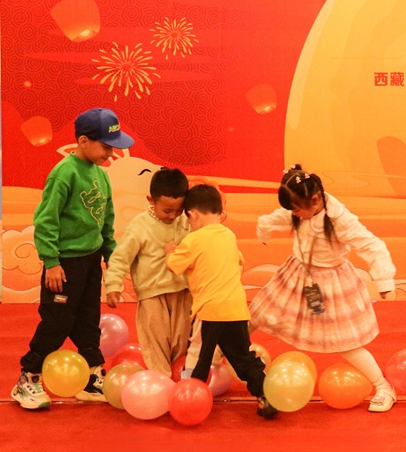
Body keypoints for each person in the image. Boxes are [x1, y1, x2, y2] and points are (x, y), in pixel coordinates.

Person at [12, 108, 134, 409]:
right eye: (106, 146)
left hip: (91, 261)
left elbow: (106, 219)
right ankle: (28, 377)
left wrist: (111, 256)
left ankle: (91, 376)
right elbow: (46, 220)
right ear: (83, 141)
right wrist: (51, 261)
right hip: (64, 264)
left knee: (89, 319)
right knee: (58, 321)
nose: (110, 153)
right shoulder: (64, 173)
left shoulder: (100, 175)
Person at [249, 164, 398, 413]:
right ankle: (223, 353)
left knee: (344, 342)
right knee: (257, 315)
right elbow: (279, 217)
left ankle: (383, 387)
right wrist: (263, 228)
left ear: (315, 200)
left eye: (297, 209)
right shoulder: (300, 210)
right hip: (296, 274)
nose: (294, 214)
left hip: (329, 283)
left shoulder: (339, 220)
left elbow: (372, 246)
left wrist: (384, 280)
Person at [165, 184, 278, 419]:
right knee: (243, 357)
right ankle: (266, 395)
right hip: (236, 310)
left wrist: (169, 251)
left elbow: (174, 266)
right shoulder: (229, 236)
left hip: (209, 311)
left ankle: (189, 399)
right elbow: (240, 262)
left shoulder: (193, 239)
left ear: (193, 215)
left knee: (198, 357)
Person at [104, 168, 192, 378]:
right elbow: (120, 257)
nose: (173, 215)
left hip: (183, 290)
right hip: (151, 292)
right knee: (155, 339)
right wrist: (113, 284)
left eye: (179, 210)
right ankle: (160, 379)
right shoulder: (139, 226)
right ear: (151, 200)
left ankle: (179, 377)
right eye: (167, 210)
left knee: (182, 338)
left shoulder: (186, 222)